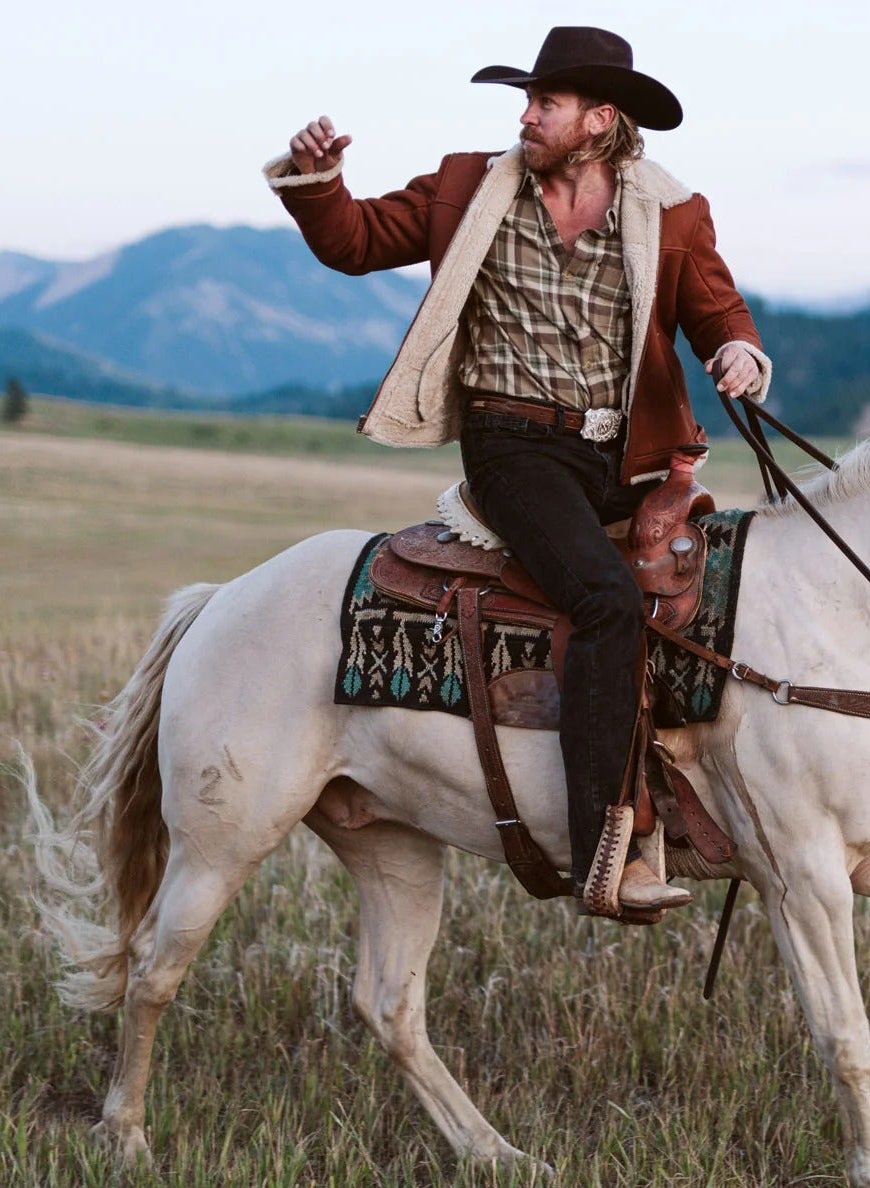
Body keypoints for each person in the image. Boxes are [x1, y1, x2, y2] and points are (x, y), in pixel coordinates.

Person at [263, 26, 769, 915]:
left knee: (718, 590)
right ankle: (601, 850)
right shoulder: (471, 186)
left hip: (629, 457)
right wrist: (320, 182)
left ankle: (719, 799)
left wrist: (739, 356)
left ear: (600, 120)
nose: (527, 116)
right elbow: (355, 240)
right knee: (604, 601)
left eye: (546, 102)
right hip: (515, 449)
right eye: (527, 101)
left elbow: (718, 313)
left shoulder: (673, 211)